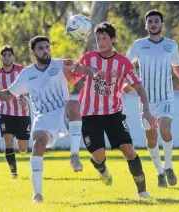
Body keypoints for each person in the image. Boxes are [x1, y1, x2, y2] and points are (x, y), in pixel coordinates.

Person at [0, 36, 89, 203]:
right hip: (43, 117)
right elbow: (8, 95)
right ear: (34, 52)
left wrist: (80, 67)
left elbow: (82, 71)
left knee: (73, 104)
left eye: (47, 47)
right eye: (41, 48)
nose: (45, 51)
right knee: (38, 145)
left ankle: (74, 155)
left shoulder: (59, 64)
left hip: (62, 111)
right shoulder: (27, 73)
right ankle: (37, 194)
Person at [71, 22, 158, 198]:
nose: (100, 42)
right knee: (98, 155)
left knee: (128, 150)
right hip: (90, 115)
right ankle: (102, 168)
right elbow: (74, 77)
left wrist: (146, 110)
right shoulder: (88, 58)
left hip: (114, 114)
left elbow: (139, 88)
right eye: (98, 39)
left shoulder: (123, 63)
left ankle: (142, 191)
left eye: (104, 38)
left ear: (113, 39)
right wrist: (82, 69)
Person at [126, 10, 179, 188]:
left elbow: (178, 69)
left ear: (161, 24)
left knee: (165, 130)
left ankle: (168, 167)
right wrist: (125, 84)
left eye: (156, 21)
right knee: (151, 139)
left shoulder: (171, 45)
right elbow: (125, 66)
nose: (153, 24)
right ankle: (159, 172)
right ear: (146, 25)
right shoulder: (138, 45)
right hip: (146, 101)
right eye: (150, 21)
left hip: (166, 98)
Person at [0, 45, 31, 179]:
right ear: (1, 57)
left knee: (23, 148)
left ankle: (24, 151)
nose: (7, 57)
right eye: (4, 55)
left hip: (22, 113)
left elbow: (30, 87)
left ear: (13, 56)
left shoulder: (22, 71)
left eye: (9, 55)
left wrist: (25, 99)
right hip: (5, 113)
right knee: (8, 141)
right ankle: (14, 173)